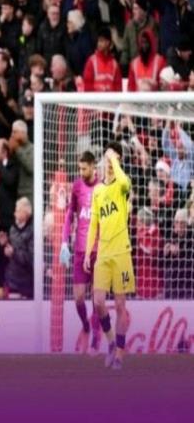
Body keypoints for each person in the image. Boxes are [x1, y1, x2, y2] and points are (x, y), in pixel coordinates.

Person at [84, 141, 135, 369]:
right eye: (106, 157)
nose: (108, 161)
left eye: (113, 157)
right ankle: (112, 341)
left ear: (118, 160)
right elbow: (93, 224)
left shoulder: (122, 185)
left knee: (121, 305)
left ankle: (121, 353)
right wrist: (88, 253)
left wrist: (114, 158)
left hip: (121, 252)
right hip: (103, 254)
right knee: (98, 302)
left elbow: (124, 182)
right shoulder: (98, 190)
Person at [60, 151, 100, 354]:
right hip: (79, 251)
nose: (81, 172)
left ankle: (96, 333)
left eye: (84, 168)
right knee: (78, 298)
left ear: (93, 166)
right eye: (80, 168)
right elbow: (70, 215)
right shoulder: (77, 186)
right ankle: (85, 324)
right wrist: (64, 242)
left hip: (99, 251)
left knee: (97, 299)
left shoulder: (103, 187)